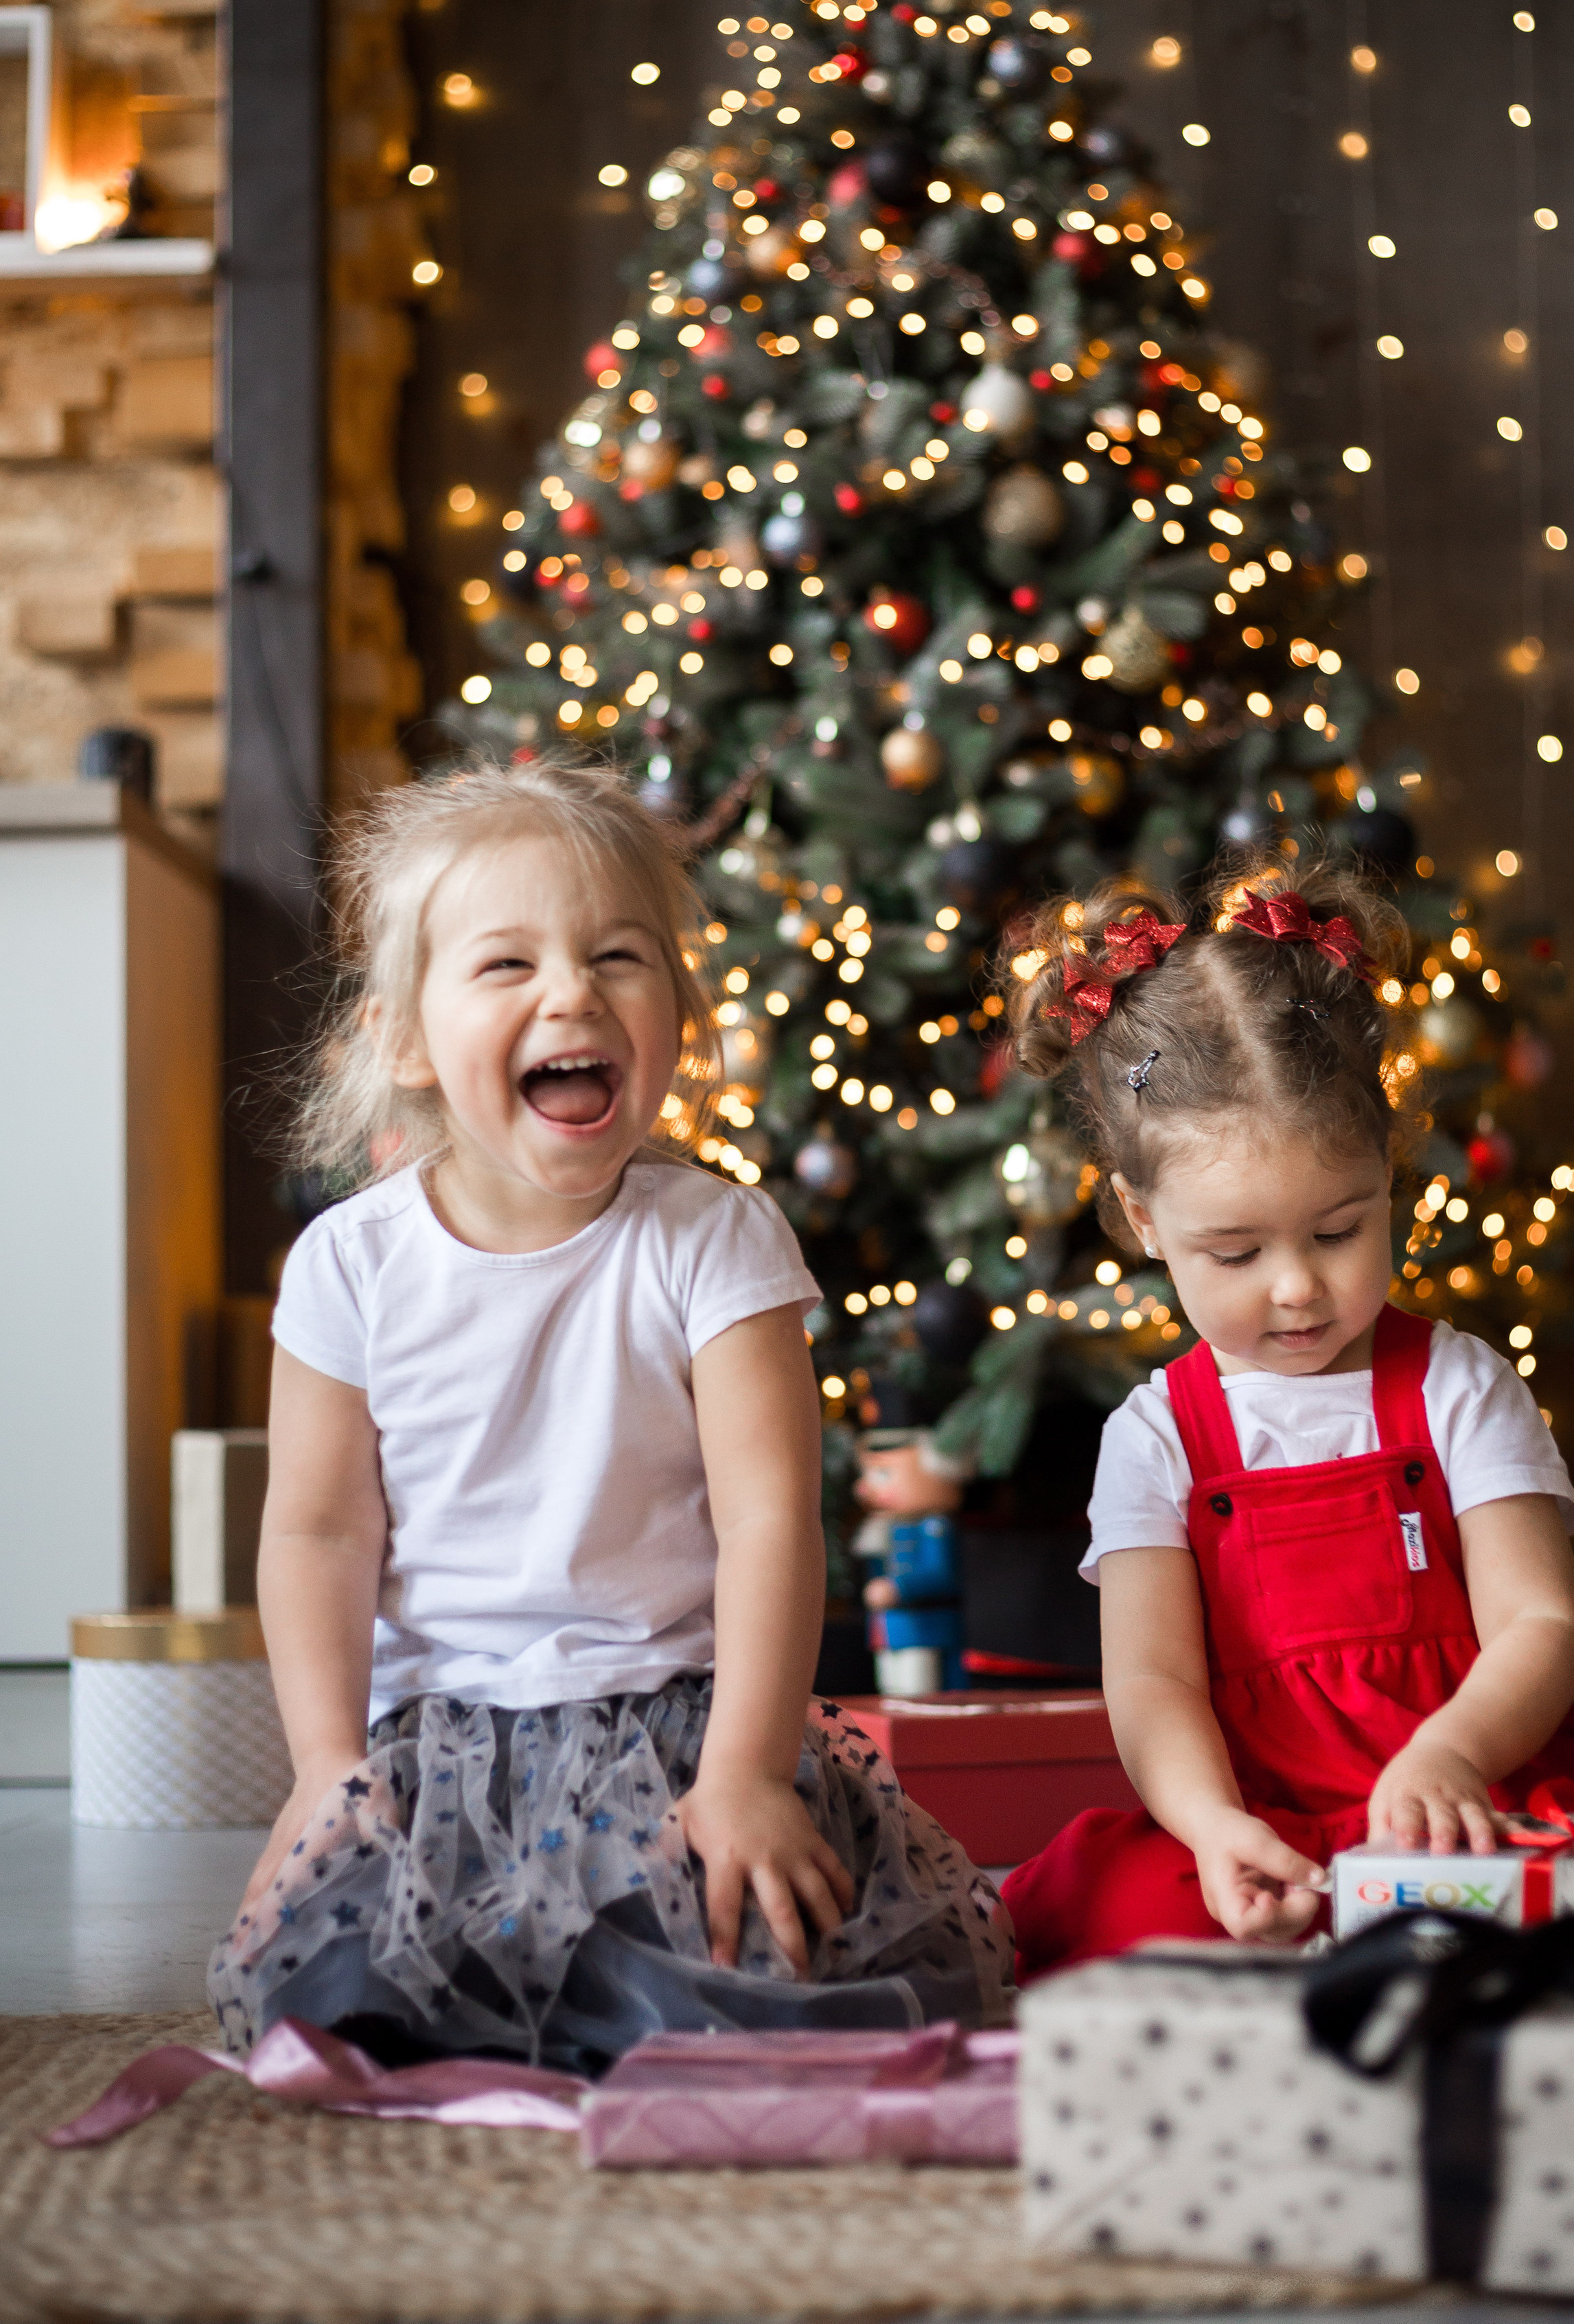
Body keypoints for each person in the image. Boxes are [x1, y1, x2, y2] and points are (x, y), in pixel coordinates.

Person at [209, 760, 1011, 2069]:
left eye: (617, 958)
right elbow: (315, 1535)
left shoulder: (714, 1241)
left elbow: (768, 1524)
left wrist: (747, 1773)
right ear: (405, 1037)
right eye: (506, 965)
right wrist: (324, 1767)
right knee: (331, 1996)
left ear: (676, 1017)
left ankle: (635, 1996)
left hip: (679, 1725)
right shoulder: (350, 1266)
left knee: (766, 1976)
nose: (572, 992)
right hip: (439, 1757)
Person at [998, 855, 1574, 1977]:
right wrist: (1214, 1831)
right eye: (1237, 1252)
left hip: (1484, 1789)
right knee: (1111, 1916)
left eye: (1340, 1230)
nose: (1298, 1287)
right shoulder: (1153, 1441)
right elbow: (1154, 1685)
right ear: (1143, 1219)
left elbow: (1542, 1626)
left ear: (1390, 1169)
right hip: (1276, 1825)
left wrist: (1451, 1754)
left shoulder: (1457, 1388)